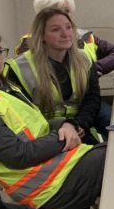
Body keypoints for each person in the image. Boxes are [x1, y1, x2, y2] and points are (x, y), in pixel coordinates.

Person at [0, 26, 106, 209]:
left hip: (60, 167)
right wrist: (62, 137)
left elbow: (37, 127)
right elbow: (17, 155)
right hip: (45, 186)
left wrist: (66, 124)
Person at [17, 0, 114, 135]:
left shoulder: (84, 38)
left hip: (83, 105)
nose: (63, 16)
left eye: (67, 11)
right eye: (56, 11)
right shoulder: (27, 51)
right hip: (49, 120)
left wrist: (94, 69)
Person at [6, 8, 103, 145]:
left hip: (78, 128)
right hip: (42, 134)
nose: (65, 34)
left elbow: (92, 98)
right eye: (55, 29)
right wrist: (63, 126)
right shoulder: (19, 68)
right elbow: (23, 115)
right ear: (41, 35)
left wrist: (80, 124)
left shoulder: (85, 59)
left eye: (68, 27)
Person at [16, 0, 114, 77]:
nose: (61, 15)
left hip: (88, 97)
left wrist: (93, 69)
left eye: (66, 10)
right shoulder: (30, 42)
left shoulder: (85, 36)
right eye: (54, 10)